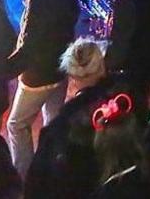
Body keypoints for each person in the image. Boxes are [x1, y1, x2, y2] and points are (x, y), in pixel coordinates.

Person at [4, 0, 81, 174]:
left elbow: (30, 43)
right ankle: (55, 167)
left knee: (16, 124)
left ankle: (24, 174)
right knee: (53, 122)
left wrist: (3, 70)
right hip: (61, 65)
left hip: (39, 72)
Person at [25, 40, 115, 199]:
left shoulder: (62, 124)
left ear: (71, 75)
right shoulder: (123, 97)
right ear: (102, 66)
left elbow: (38, 180)